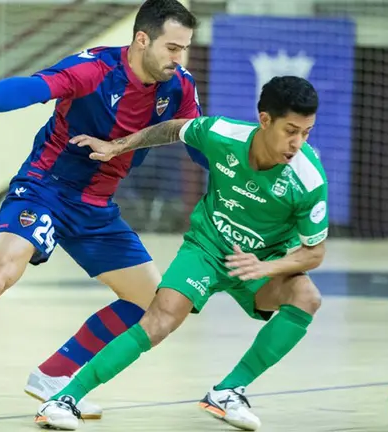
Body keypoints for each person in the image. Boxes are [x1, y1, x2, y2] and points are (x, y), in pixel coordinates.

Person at [0, 0, 205, 424]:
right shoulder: (95, 69)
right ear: (143, 39)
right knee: (0, 273)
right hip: (45, 189)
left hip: (96, 207)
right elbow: (35, 88)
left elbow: (197, 140)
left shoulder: (179, 87)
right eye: (173, 48)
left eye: (184, 48)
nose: (180, 58)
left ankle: (54, 375)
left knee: (154, 303)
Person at [34, 76, 328, 431]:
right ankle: (64, 398)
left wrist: (268, 267)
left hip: (260, 263)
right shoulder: (222, 134)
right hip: (206, 247)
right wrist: (118, 146)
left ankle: (228, 391)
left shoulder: (308, 179)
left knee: (306, 297)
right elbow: (174, 128)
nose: (298, 143)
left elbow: (314, 252)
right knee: (160, 320)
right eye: (291, 131)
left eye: (306, 133)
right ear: (265, 120)